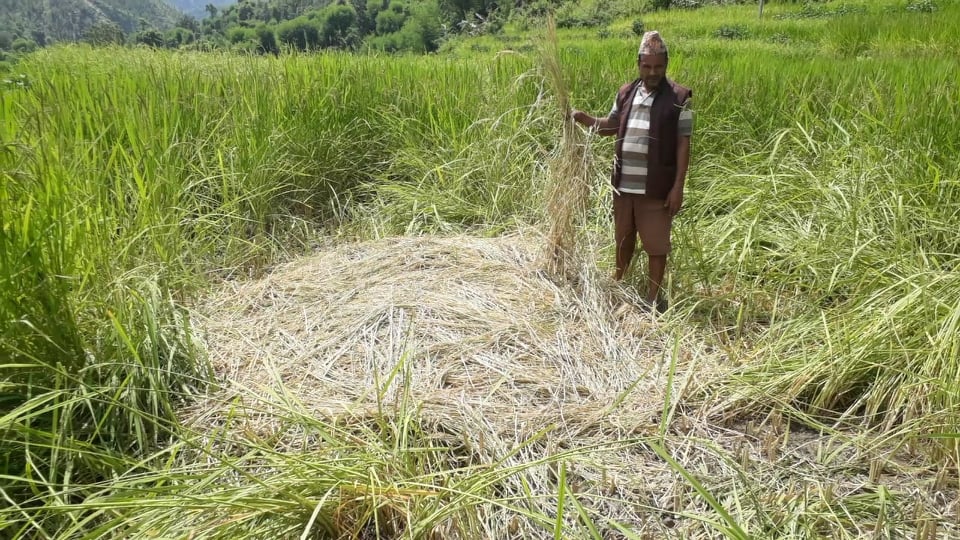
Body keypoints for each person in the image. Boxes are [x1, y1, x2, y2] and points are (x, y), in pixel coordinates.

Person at [571, 31, 693, 313]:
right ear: (638, 63)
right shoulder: (626, 93)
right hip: (624, 186)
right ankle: (619, 283)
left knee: (656, 244)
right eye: (647, 66)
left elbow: (683, 144)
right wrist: (584, 119)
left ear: (666, 64)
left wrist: (678, 187)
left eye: (658, 66)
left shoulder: (679, 98)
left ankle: (653, 299)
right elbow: (611, 126)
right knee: (623, 238)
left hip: (656, 188)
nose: (653, 72)